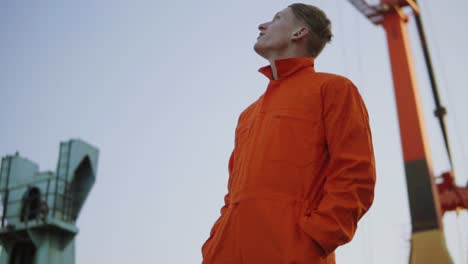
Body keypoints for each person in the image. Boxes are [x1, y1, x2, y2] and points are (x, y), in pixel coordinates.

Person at [201, 3, 376, 264]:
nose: (262, 25)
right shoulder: (247, 115)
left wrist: (315, 240)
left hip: (292, 253)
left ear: (299, 32)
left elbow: (355, 175)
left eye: (277, 18)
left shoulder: (334, 89)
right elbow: (232, 195)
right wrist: (214, 243)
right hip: (225, 254)